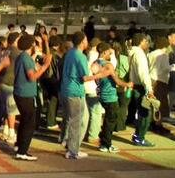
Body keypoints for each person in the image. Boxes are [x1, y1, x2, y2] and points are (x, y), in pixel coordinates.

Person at [61, 31, 109, 160]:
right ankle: (72, 150)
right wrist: (99, 75)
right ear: (82, 41)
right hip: (75, 92)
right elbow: (84, 77)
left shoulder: (70, 52)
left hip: (66, 90)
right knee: (77, 121)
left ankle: (71, 145)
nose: (87, 41)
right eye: (86, 39)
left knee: (77, 119)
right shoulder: (79, 56)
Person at [12, 33, 51, 161]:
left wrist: (42, 64)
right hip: (25, 93)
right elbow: (32, 76)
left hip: (20, 92)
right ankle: (22, 151)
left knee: (24, 120)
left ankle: (19, 146)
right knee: (29, 122)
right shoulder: (26, 58)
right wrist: (45, 66)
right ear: (31, 44)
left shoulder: (22, 57)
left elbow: (35, 69)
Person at [95, 42, 131, 153]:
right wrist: (127, 84)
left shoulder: (95, 63)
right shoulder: (108, 65)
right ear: (104, 52)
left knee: (108, 118)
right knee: (111, 119)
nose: (111, 55)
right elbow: (117, 80)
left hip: (101, 94)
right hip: (110, 95)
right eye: (110, 53)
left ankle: (104, 139)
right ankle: (106, 144)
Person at [128, 33, 156, 147]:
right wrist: (149, 88)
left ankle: (137, 136)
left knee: (140, 112)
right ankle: (140, 137)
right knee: (145, 113)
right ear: (141, 41)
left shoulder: (131, 52)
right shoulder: (139, 54)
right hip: (140, 87)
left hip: (134, 85)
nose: (148, 44)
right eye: (146, 41)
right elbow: (143, 73)